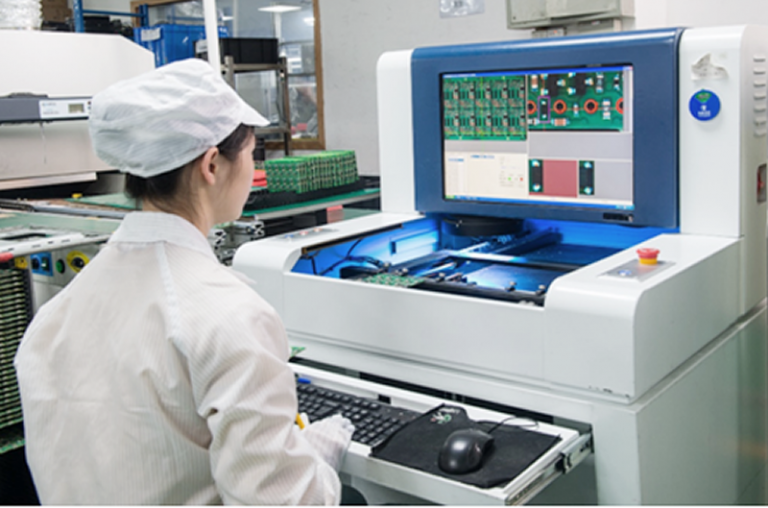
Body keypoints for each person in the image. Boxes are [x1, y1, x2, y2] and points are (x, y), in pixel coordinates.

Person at [14, 58, 355, 505]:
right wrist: (317, 459)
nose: (254, 170)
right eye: (252, 153)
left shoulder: (53, 316)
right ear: (211, 165)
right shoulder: (228, 314)